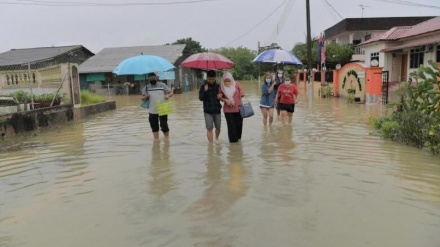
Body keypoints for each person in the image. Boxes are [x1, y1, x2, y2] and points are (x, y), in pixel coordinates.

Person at [141, 72, 174, 139]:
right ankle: (156, 141)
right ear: (148, 79)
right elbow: (142, 98)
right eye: (150, 79)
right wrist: (145, 96)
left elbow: (171, 92)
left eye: (153, 78)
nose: (152, 80)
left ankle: (167, 139)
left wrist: (167, 95)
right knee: (154, 126)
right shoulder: (146, 87)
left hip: (162, 109)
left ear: (156, 78)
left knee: (164, 125)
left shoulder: (162, 85)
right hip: (152, 110)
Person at [218, 71, 245, 143]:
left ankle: (238, 141)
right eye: (225, 80)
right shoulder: (222, 87)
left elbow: (242, 93)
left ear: (231, 79)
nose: (227, 82)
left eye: (228, 80)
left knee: (239, 126)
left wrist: (242, 94)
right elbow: (220, 97)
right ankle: (233, 143)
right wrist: (226, 100)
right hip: (228, 110)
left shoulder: (237, 84)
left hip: (238, 108)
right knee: (231, 127)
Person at [199, 70, 222, 143]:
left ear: (215, 78)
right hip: (207, 111)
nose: (211, 81)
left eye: (213, 79)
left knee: (218, 127)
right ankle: (210, 144)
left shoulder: (218, 86)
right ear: (207, 78)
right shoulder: (203, 87)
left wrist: (221, 96)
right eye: (209, 79)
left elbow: (222, 96)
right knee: (209, 128)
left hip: (217, 110)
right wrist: (205, 91)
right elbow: (200, 98)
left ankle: (217, 138)